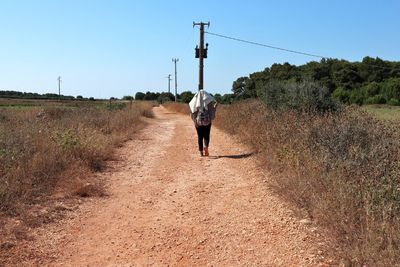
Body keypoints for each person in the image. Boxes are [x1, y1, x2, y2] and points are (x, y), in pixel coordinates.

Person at [189, 90, 218, 156]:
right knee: (206, 135)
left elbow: (192, 111)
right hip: (207, 122)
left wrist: (194, 120)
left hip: (198, 122)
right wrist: (215, 106)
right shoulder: (209, 102)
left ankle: (201, 152)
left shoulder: (195, 101)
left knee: (200, 137)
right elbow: (212, 112)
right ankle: (206, 147)